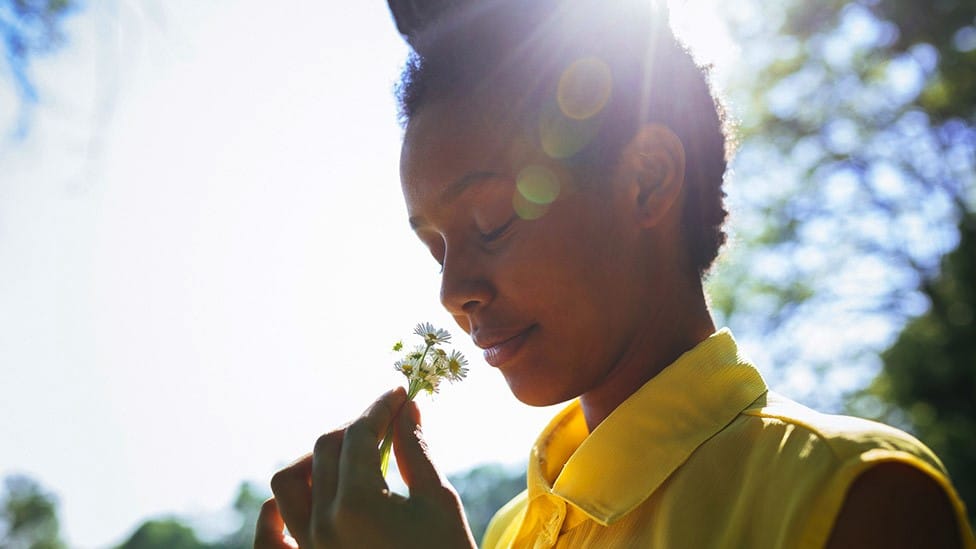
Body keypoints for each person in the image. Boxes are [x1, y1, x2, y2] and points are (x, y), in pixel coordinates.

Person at [254, 1, 975, 547]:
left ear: (647, 181)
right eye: (435, 248)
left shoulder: (854, 497)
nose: (452, 293)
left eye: (494, 221)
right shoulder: (501, 532)